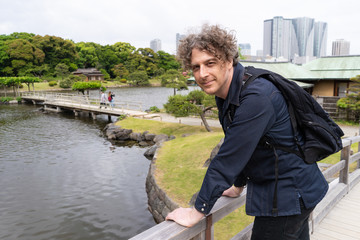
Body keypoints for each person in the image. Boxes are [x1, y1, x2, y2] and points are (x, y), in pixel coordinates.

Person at [165, 24, 328, 240]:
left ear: (229, 60)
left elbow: (229, 157)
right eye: (196, 67)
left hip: (289, 193)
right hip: (294, 190)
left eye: (210, 63)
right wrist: (238, 186)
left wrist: (197, 211)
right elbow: (246, 146)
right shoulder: (230, 94)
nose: (202, 74)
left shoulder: (256, 97)